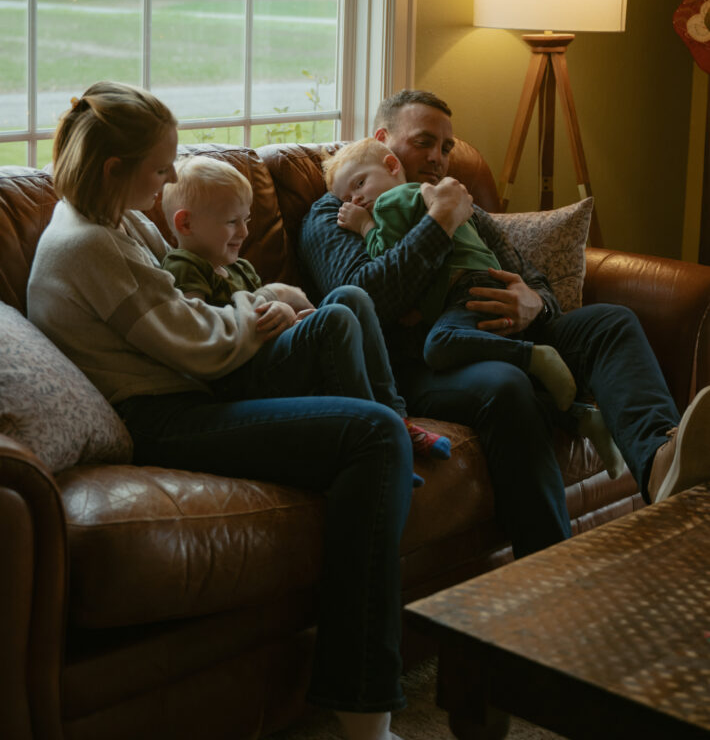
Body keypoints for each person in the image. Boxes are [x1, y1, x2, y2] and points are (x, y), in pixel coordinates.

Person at [27, 81, 410, 740]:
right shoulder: (86, 245)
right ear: (115, 168)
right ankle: (363, 710)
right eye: (159, 168)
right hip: (160, 419)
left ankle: (386, 456)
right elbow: (196, 342)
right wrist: (257, 309)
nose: (168, 180)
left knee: (341, 315)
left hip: (190, 392)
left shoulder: (116, 221)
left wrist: (265, 304)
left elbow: (185, 308)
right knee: (373, 436)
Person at [299, 88, 710, 558]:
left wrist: (534, 302)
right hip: (427, 360)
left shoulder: (459, 201)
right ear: (384, 143)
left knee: (610, 323)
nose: (437, 158)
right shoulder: (340, 209)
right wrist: (440, 221)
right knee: (506, 385)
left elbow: (529, 273)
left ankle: (661, 465)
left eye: (446, 147)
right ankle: (549, 563)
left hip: (504, 329)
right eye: (423, 142)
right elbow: (363, 298)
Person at [322, 136, 625, 480]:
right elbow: (418, 270)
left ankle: (533, 356)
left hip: (469, 292)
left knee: (440, 344)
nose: (355, 199)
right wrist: (423, 310)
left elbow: (386, 255)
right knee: (500, 376)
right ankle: (582, 416)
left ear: (392, 166)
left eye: (360, 184)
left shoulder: (391, 202)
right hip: (473, 292)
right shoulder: (429, 198)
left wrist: (364, 225)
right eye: (346, 198)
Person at [159, 153, 451, 464]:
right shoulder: (183, 265)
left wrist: (294, 324)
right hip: (237, 380)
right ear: (185, 223)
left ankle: (396, 416)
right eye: (232, 222)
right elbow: (200, 328)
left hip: (266, 359)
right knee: (334, 318)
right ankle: (376, 435)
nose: (244, 232)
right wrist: (272, 313)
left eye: (246, 220)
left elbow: (265, 321)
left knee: (351, 296)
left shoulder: (240, 268)